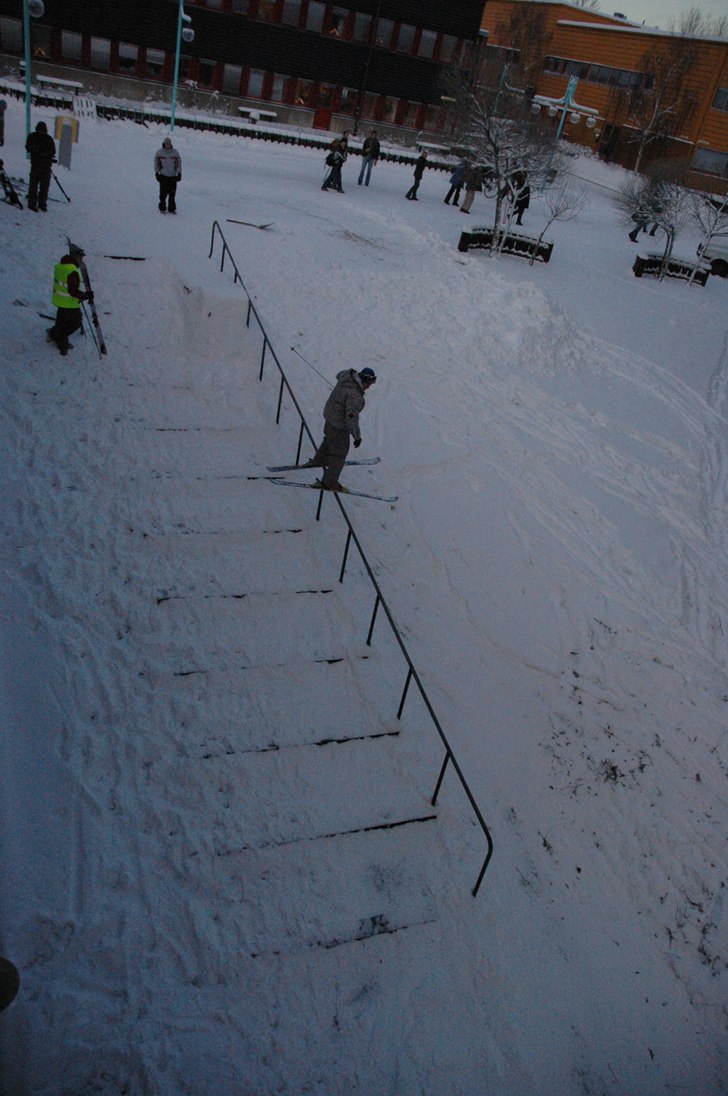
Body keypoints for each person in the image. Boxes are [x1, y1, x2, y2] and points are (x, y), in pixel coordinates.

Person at [304, 367, 377, 491]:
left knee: (329, 440)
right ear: (364, 380)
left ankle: (320, 460)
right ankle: (329, 482)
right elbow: (351, 417)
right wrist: (356, 436)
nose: (369, 387)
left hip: (329, 417)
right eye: (369, 383)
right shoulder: (355, 395)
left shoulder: (346, 379)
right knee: (339, 453)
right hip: (338, 425)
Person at [47, 246, 93, 356]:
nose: (82, 260)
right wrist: (85, 296)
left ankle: (54, 333)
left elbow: (65, 285)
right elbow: (73, 291)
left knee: (62, 321)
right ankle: (60, 340)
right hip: (69, 303)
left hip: (59, 300)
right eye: (80, 257)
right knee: (75, 323)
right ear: (75, 256)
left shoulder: (61, 266)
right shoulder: (72, 271)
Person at [25, 120, 56, 212]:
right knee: (33, 186)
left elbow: (53, 151)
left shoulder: (49, 139)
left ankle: (42, 203)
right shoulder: (32, 136)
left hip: (46, 166)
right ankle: (32, 204)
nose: (42, 132)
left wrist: (46, 154)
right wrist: (37, 151)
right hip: (36, 165)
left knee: (44, 186)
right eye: (40, 130)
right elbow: (28, 147)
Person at [154, 136, 182, 214]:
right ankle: (162, 208)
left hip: (172, 176)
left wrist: (179, 173)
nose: (168, 146)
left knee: (172, 194)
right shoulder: (159, 153)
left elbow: (179, 164)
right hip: (163, 176)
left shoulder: (175, 153)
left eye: (169, 144)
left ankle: (171, 209)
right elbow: (156, 163)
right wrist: (157, 173)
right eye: (166, 144)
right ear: (164, 144)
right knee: (163, 194)